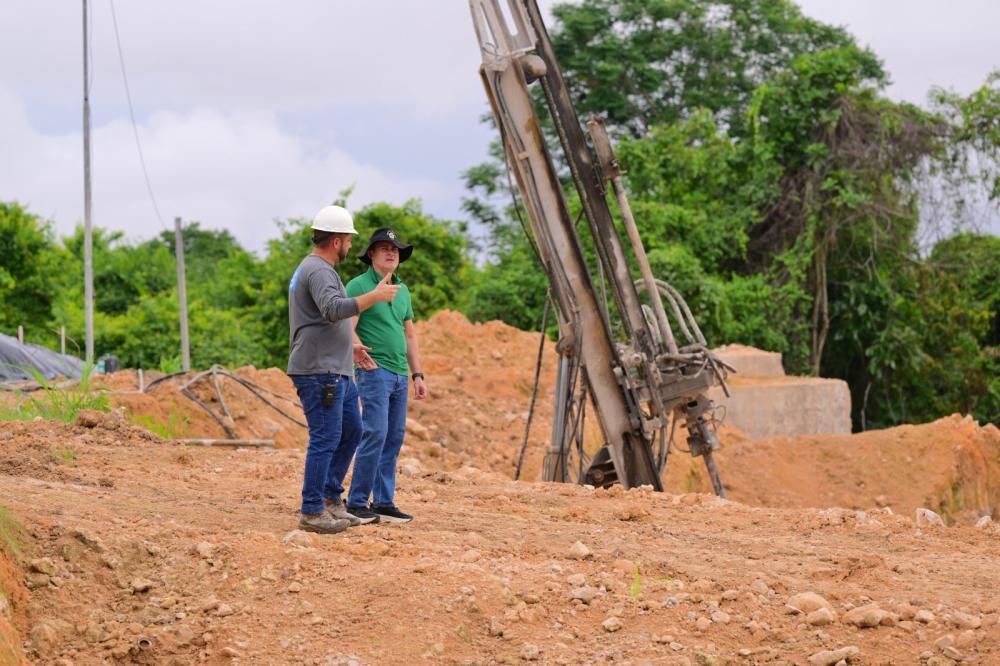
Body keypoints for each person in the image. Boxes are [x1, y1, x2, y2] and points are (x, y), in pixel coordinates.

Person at [287, 206, 399, 534]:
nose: (351, 246)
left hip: (337, 368)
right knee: (325, 438)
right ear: (337, 241)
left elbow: (319, 318)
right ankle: (311, 510)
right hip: (321, 371)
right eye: (349, 240)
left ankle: (331, 499)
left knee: (351, 431)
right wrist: (373, 296)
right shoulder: (319, 270)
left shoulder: (318, 268)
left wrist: (350, 345)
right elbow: (333, 309)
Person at [345, 227, 428, 524]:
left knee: (393, 437)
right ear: (371, 254)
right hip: (373, 370)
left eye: (395, 249)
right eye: (384, 248)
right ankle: (356, 501)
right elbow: (346, 325)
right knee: (375, 433)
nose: (391, 253)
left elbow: (409, 334)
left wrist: (417, 373)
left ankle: (383, 501)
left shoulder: (402, 290)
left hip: (398, 373)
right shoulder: (358, 286)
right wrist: (355, 347)